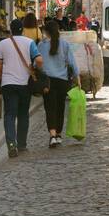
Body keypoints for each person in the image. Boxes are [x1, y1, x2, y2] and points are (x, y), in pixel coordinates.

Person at [0, 19, 42, 158]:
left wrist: (2, 76)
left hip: (8, 84)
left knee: (9, 114)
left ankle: (11, 144)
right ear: (22, 30)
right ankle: (21, 144)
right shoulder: (29, 43)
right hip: (24, 84)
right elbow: (39, 60)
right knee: (23, 114)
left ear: (11, 29)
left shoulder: (2, 44)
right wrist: (35, 69)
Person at [39, 17, 80, 148]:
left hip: (48, 81)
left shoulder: (41, 45)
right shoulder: (65, 44)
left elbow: (37, 63)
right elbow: (72, 63)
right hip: (62, 81)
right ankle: (58, 134)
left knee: (50, 108)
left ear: (46, 32)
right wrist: (77, 78)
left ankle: (52, 136)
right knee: (60, 107)